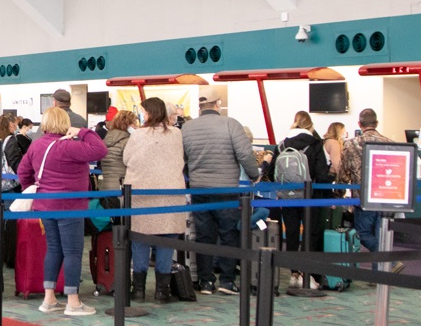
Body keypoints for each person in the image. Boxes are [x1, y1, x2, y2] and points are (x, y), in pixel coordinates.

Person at [18, 107, 106, 315]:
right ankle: (73, 301)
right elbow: (100, 150)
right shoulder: (70, 146)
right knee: (73, 251)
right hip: (70, 206)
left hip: (45, 205)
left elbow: (23, 171)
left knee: (53, 249)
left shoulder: (37, 145)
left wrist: (34, 188)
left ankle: (49, 298)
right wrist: (83, 131)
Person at [182, 94, 259, 295]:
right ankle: (227, 281)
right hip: (226, 189)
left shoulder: (187, 128)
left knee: (204, 236)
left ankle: (206, 282)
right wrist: (254, 174)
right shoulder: (231, 124)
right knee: (228, 235)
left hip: (198, 188)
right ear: (218, 104)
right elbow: (245, 154)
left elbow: (182, 158)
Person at [122, 97, 186, 302]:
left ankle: (138, 290)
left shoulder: (138, 135)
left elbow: (127, 159)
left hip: (142, 195)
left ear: (149, 113)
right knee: (166, 243)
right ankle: (162, 291)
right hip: (170, 196)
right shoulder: (176, 134)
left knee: (140, 241)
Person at [277, 111, 332, 285]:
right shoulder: (315, 144)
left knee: (291, 232)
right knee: (311, 233)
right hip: (310, 196)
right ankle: (308, 274)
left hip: (288, 196)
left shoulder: (282, 144)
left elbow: (272, 172)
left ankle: (294, 274)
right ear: (310, 125)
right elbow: (321, 174)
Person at [340, 108, 398, 264]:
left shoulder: (350, 144)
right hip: (386, 196)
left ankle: (389, 261)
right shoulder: (390, 143)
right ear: (376, 123)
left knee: (362, 234)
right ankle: (383, 269)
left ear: (359, 124)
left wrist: (338, 193)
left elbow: (343, 173)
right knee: (382, 235)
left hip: (362, 197)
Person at [100, 110, 138, 188]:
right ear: (128, 124)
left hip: (105, 183)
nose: (136, 126)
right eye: (134, 123)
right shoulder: (127, 141)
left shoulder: (107, 138)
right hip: (122, 185)